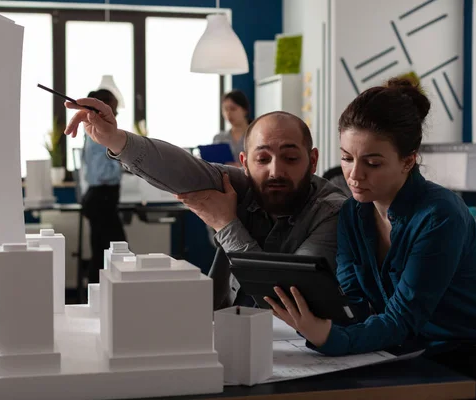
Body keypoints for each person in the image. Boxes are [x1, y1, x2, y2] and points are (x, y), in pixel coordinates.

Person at [261, 78, 476, 378]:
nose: (354, 175)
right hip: (399, 349)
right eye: (346, 158)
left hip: (457, 356)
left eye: (372, 163)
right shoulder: (353, 211)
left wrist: (327, 336)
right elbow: (354, 301)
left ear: (408, 161)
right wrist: (320, 318)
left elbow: (402, 320)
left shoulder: (440, 216)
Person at [64, 98, 348, 310]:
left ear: (312, 161)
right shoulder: (240, 184)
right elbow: (184, 169)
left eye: (290, 158)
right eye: (262, 159)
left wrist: (226, 226)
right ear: (244, 164)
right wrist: (115, 139)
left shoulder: (332, 211)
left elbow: (287, 300)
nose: (275, 171)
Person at [80, 89, 126, 284]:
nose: (115, 117)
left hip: (99, 199)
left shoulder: (92, 134)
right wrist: (122, 164)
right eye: (113, 112)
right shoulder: (99, 135)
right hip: (102, 199)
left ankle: (100, 299)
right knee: (114, 253)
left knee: (103, 252)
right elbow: (103, 173)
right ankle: (101, 298)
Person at [212, 90, 251, 164]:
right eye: (225, 109)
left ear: (244, 110)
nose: (228, 113)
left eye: (233, 109)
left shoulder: (256, 135)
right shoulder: (219, 138)